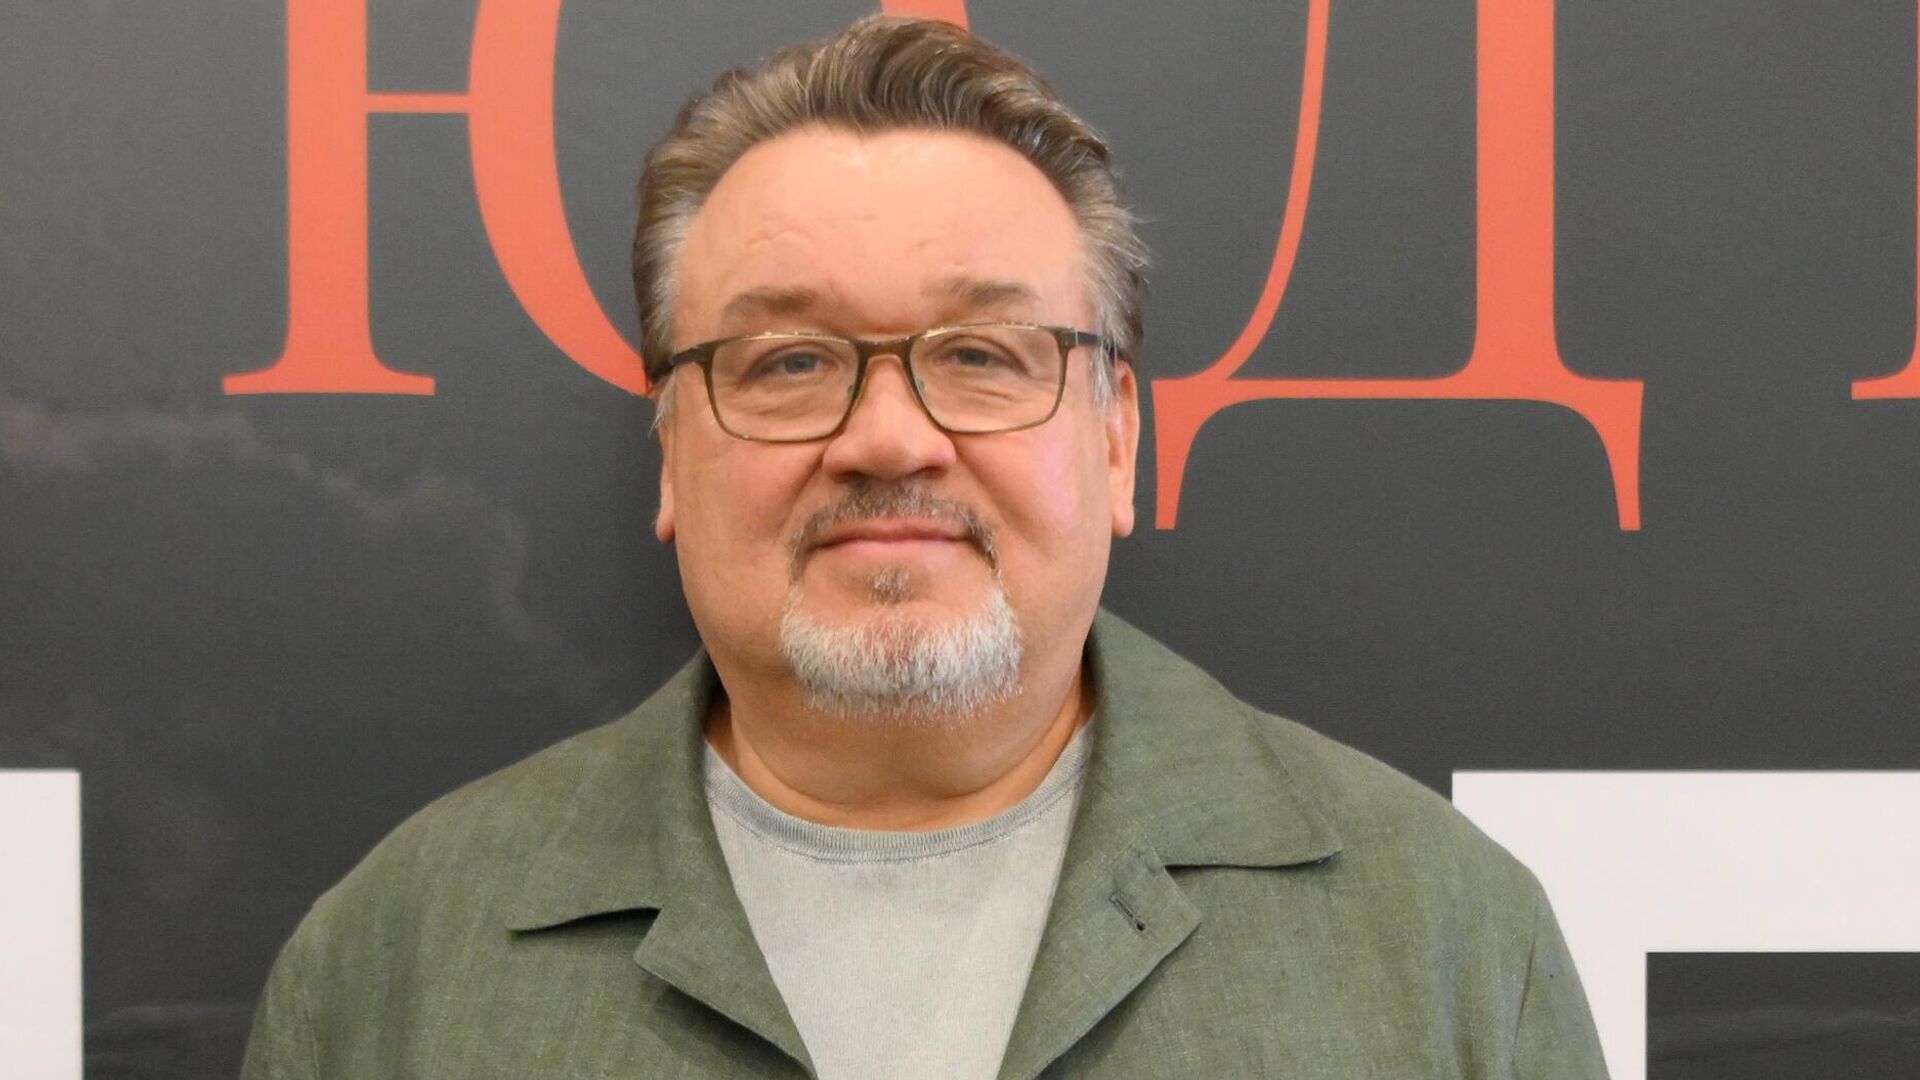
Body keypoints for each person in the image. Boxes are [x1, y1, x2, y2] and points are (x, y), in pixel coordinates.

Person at [243, 14, 1608, 1079]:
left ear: (1117, 439)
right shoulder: (392, 967)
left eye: (981, 354)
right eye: (788, 362)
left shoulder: (1441, 938)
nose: (889, 438)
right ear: (669, 452)